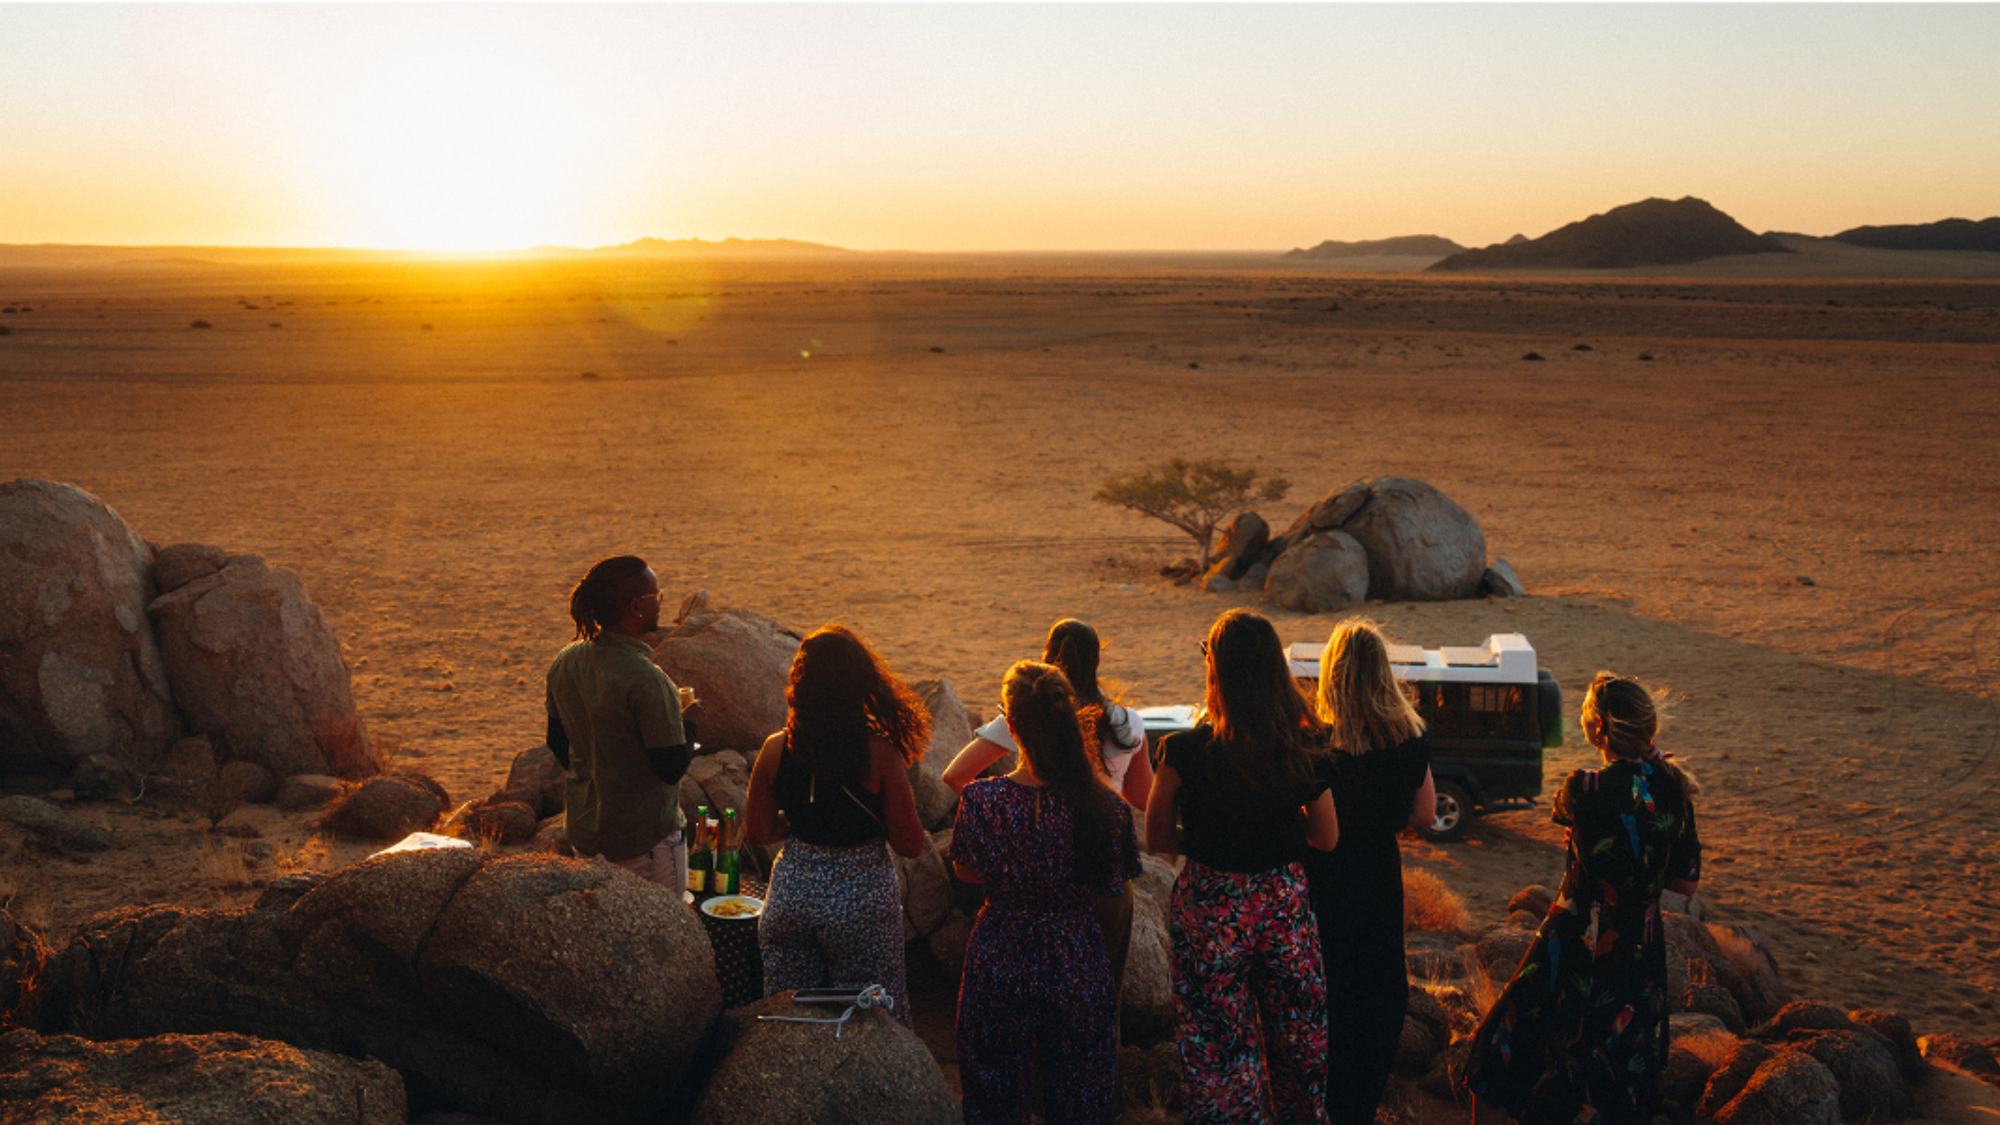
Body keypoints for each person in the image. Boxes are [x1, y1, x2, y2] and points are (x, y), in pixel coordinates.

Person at [1462, 673, 1702, 1125]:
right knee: (1614, 1071)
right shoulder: (1675, 789)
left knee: (1504, 1048)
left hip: (1575, 939)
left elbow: (1565, 813)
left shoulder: (1584, 788)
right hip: (1637, 950)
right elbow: (1687, 884)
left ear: (1598, 728)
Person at [1145, 609, 1338, 1124]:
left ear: (1217, 671)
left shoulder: (1182, 751)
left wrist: (1211, 839)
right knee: (1299, 1044)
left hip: (1210, 910)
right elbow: (1327, 837)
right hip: (1284, 911)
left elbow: (1157, 838)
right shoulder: (1305, 747)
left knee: (1216, 1049)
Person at [950, 661, 1141, 1125]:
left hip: (1000, 955)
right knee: (1080, 1096)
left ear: (1011, 728)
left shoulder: (982, 801)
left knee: (993, 1094)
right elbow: (1113, 879)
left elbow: (967, 872)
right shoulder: (1105, 807)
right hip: (1076, 952)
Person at [943, 618, 1153, 1021]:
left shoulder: (1024, 717)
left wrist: (997, 819)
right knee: (1101, 1002)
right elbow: (1142, 798)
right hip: (1101, 873)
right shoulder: (1128, 722)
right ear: (1096, 661)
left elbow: (954, 776)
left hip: (1023, 889)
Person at [745, 624, 928, 1026]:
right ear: (859, 684)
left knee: (792, 1020)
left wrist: (795, 828)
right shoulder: (879, 755)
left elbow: (757, 832)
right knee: (874, 1019)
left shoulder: (776, 748)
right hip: (860, 904)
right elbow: (911, 845)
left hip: (790, 898)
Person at [1306, 620, 1437, 1125]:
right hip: (1379, 875)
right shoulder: (1409, 739)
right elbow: (1425, 815)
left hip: (1324, 877)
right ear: (1383, 674)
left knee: (1329, 990)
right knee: (1378, 990)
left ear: (1330, 676)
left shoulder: (1316, 743)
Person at [545, 555, 698, 891]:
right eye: (655, 597)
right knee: (665, 935)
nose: (660, 605)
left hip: (586, 837)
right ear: (635, 608)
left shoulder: (565, 661)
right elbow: (670, 767)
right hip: (646, 846)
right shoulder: (647, 680)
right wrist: (690, 727)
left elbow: (557, 742)